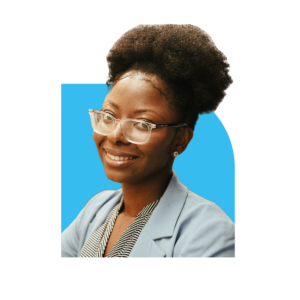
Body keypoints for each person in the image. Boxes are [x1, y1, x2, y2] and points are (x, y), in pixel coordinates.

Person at [60, 23, 235, 258]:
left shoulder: (210, 234)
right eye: (109, 116)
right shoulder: (98, 208)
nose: (114, 136)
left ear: (180, 141)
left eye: (142, 124)